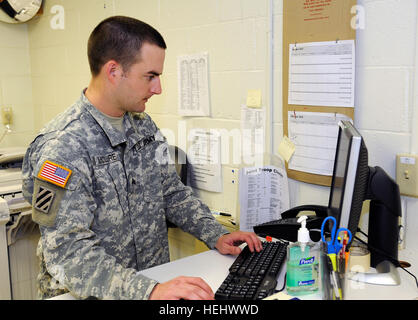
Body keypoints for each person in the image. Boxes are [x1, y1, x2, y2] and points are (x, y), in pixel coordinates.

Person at [22, 16, 262, 300]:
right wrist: (147, 290)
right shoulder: (62, 147)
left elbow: (171, 193)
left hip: (149, 285)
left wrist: (215, 234)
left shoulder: (142, 126)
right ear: (113, 71)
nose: (158, 88)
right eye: (150, 76)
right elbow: (66, 252)